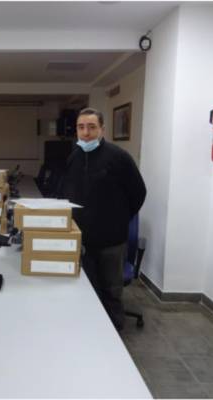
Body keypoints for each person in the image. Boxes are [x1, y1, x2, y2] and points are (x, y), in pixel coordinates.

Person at [60, 108, 146, 331]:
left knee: (111, 291)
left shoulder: (119, 157)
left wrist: (119, 218)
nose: (86, 132)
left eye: (91, 127)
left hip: (111, 241)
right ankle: (92, 332)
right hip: (81, 239)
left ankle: (115, 332)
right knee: (87, 289)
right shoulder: (74, 157)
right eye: (81, 127)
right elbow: (65, 191)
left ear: (102, 129)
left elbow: (138, 193)